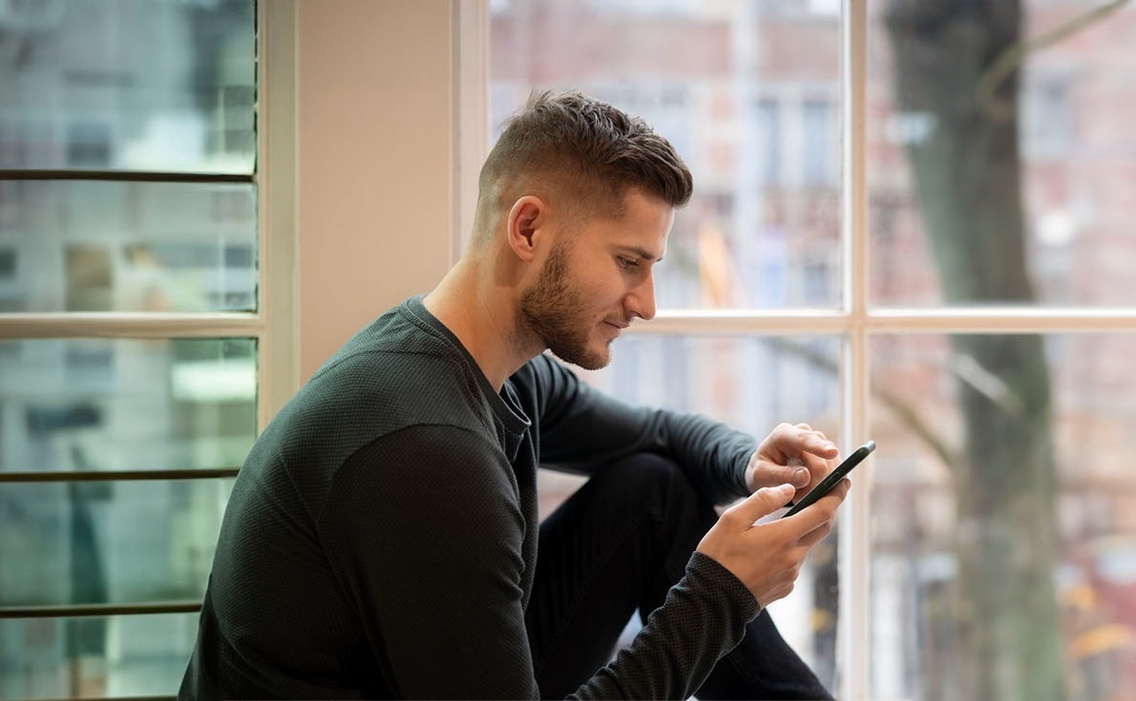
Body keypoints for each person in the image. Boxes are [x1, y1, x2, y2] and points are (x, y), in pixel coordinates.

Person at [179, 91, 848, 700]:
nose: (645, 302)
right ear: (527, 230)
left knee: (654, 491)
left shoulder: (495, 367)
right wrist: (720, 593)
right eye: (628, 262)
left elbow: (656, 434)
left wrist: (750, 463)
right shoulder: (424, 449)